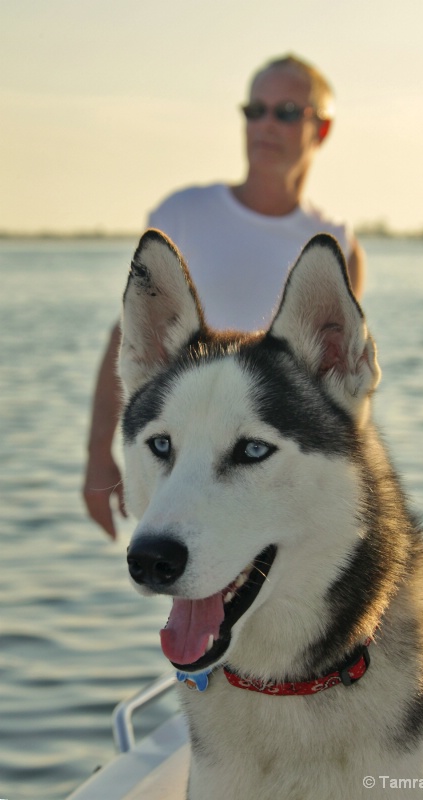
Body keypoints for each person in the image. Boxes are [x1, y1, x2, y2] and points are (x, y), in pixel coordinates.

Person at [83, 54, 366, 538]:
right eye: (254, 110)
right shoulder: (185, 212)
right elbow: (130, 343)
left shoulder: (335, 241)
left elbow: (333, 387)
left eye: (286, 111)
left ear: (321, 130)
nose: (265, 125)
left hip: (258, 471)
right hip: (180, 462)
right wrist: (98, 458)